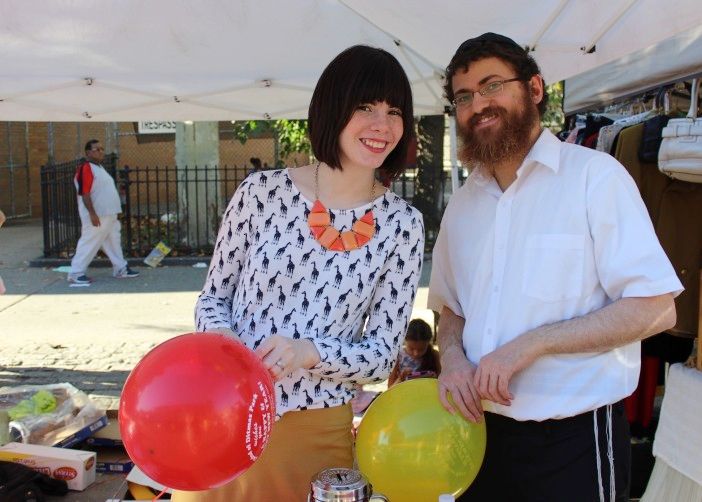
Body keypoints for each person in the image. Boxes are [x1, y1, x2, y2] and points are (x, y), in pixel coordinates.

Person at [428, 33, 682, 501]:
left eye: (491, 85)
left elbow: (656, 308)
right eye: (464, 96)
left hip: (575, 443)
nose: (477, 104)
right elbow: (451, 309)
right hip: (477, 436)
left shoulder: (595, 177)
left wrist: (533, 344)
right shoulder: (463, 205)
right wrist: (456, 360)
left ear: (535, 88)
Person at [175, 45, 424, 501]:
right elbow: (212, 300)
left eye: (394, 111)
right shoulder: (260, 193)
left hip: (315, 437)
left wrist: (309, 352)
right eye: (364, 107)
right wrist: (233, 358)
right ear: (332, 108)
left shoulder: (402, 225)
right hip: (222, 417)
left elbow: (381, 355)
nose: (381, 125)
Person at [67, 140, 138, 284]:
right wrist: (92, 214)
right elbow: (84, 193)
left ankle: (120, 268)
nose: (100, 151)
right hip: (98, 215)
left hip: (109, 214)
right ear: (88, 153)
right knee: (89, 242)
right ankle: (76, 272)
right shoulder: (86, 168)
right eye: (96, 149)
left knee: (113, 242)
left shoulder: (98, 168)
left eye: (101, 149)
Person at [388, 318, 440, 386]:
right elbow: (390, 389)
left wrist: (434, 379)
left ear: (428, 343)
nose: (416, 353)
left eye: (421, 349)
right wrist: (401, 378)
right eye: (411, 348)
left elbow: (443, 381)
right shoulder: (397, 357)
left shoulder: (435, 355)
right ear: (404, 341)